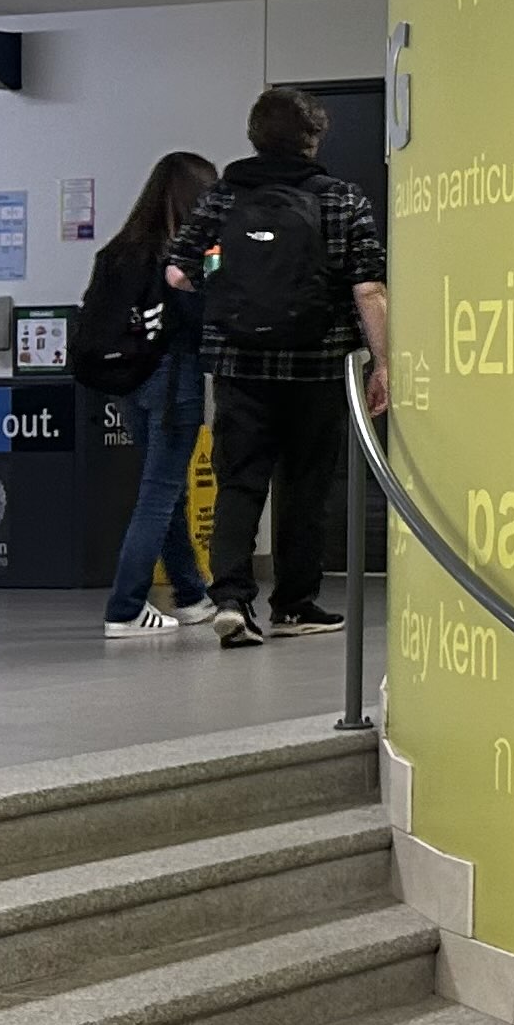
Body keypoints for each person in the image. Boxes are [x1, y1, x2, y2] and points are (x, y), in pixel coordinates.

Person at [169, 86, 389, 647]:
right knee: (306, 487)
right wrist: (383, 363)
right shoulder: (341, 199)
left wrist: (226, 288)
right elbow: (368, 288)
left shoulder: (220, 198)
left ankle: (231, 600)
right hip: (318, 365)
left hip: (239, 366)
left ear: (254, 136)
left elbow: (178, 272)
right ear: (313, 139)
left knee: (239, 483)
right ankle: (294, 605)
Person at [84, 150, 220, 640]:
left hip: (130, 383)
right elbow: (202, 321)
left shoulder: (118, 251)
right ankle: (125, 608)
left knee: (168, 490)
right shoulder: (184, 259)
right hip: (173, 382)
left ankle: (191, 595)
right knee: (158, 496)